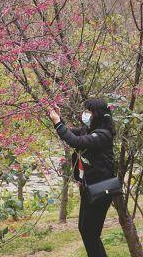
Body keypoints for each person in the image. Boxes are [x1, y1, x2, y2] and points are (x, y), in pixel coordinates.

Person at [47, 98, 116, 257]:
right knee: (84, 229)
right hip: (88, 188)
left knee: (91, 233)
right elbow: (70, 132)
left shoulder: (102, 135)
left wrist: (58, 122)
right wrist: (59, 118)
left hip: (101, 189)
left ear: (97, 114)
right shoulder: (89, 130)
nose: (85, 114)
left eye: (89, 111)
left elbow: (75, 141)